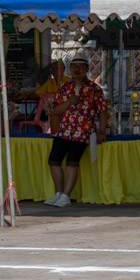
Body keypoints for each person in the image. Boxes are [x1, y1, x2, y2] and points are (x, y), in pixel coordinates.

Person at [45, 52, 108, 208]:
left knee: (72, 162)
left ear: (86, 68)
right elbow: (56, 110)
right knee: (53, 161)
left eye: (80, 66)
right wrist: (70, 102)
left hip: (83, 131)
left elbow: (103, 112)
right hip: (65, 130)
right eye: (74, 66)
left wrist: (102, 131)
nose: (77, 69)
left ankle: (66, 196)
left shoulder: (94, 89)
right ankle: (59, 193)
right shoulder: (65, 88)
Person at [35, 59, 70, 132]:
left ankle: (40, 120)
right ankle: (48, 125)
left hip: (65, 107)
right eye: (53, 69)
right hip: (52, 107)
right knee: (46, 97)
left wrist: (54, 95)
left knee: (49, 97)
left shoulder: (69, 81)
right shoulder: (50, 82)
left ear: (63, 70)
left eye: (56, 69)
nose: (54, 71)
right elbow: (38, 92)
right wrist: (49, 96)